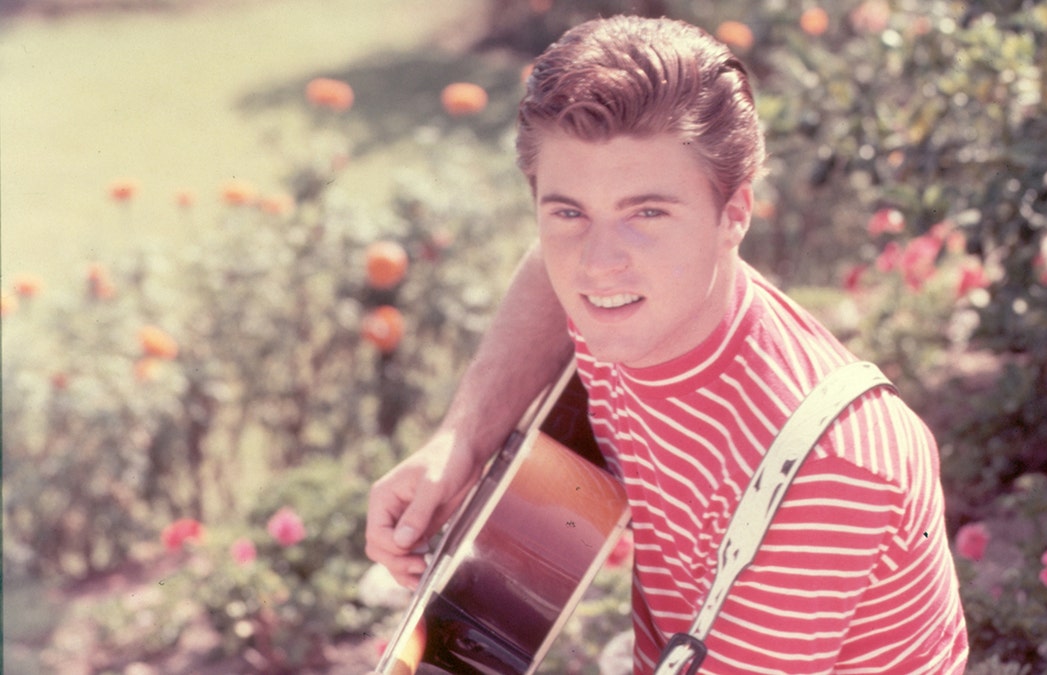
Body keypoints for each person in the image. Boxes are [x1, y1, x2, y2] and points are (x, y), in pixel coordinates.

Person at [366, 14, 969, 673]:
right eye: (569, 211)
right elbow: (548, 268)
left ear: (733, 214)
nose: (597, 265)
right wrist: (461, 441)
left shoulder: (827, 472)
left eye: (646, 213)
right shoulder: (628, 299)